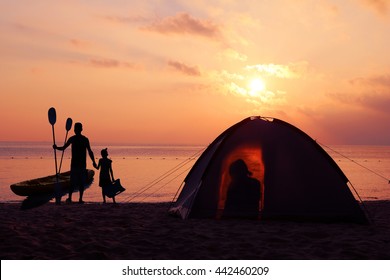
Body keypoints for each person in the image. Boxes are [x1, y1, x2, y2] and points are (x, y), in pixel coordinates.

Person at [53, 122, 97, 203]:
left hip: (75, 165)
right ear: (81, 129)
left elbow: (63, 148)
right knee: (80, 183)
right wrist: (93, 162)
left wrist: (56, 147)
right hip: (81, 165)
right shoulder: (84, 139)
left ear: (75, 130)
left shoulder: (73, 138)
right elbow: (90, 151)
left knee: (73, 182)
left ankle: (70, 198)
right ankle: (79, 199)